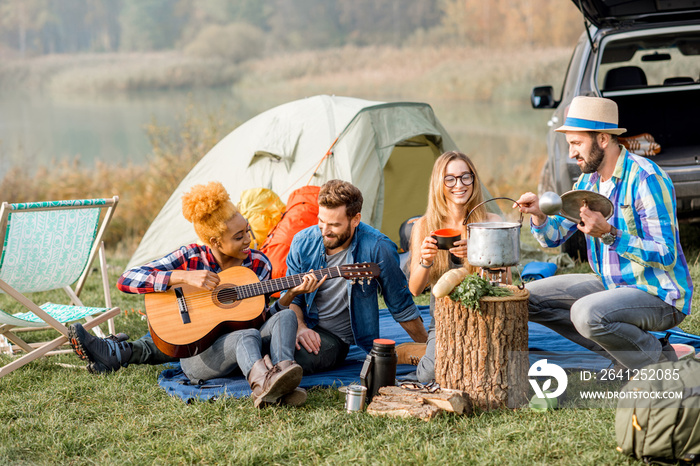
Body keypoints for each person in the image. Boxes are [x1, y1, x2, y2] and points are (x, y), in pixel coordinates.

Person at [69, 181, 318, 407]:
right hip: (201, 356)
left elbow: (262, 318)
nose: (249, 241)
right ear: (216, 242)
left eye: (248, 231)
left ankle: (282, 380)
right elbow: (126, 279)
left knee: (284, 318)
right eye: (239, 236)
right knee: (245, 335)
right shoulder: (191, 257)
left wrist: (289, 295)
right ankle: (267, 386)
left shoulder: (259, 264)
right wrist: (181, 276)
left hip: (247, 346)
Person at [515, 96, 693, 370]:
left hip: (658, 293)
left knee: (586, 313)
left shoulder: (647, 178)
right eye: (570, 144)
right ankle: (624, 356)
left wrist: (610, 233)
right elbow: (553, 237)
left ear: (602, 139)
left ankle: (659, 363)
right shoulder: (587, 181)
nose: (572, 154)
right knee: (525, 298)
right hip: (610, 285)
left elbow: (666, 254)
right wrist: (539, 214)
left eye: (577, 144)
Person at [275, 179, 428, 374]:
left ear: (355, 220)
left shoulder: (378, 247)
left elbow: (401, 306)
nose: (325, 231)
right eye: (321, 221)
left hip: (333, 337)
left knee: (293, 360)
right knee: (255, 342)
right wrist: (300, 327)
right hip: (299, 323)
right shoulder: (303, 241)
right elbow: (291, 298)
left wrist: (432, 350)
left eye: (334, 225)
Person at [399, 151, 508, 383]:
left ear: (473, 180)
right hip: (443, 319)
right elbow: (415, 289)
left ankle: (426, 351)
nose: (459, 185)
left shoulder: (491, 223)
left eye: (465, 177)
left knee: (487, 374)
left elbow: (505, 283)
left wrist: (476, 256)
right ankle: (428, 351)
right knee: (430, 375)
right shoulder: (425, 225)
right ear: (440, 183)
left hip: (485, 315)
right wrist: (426, 261)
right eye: (450, 178)